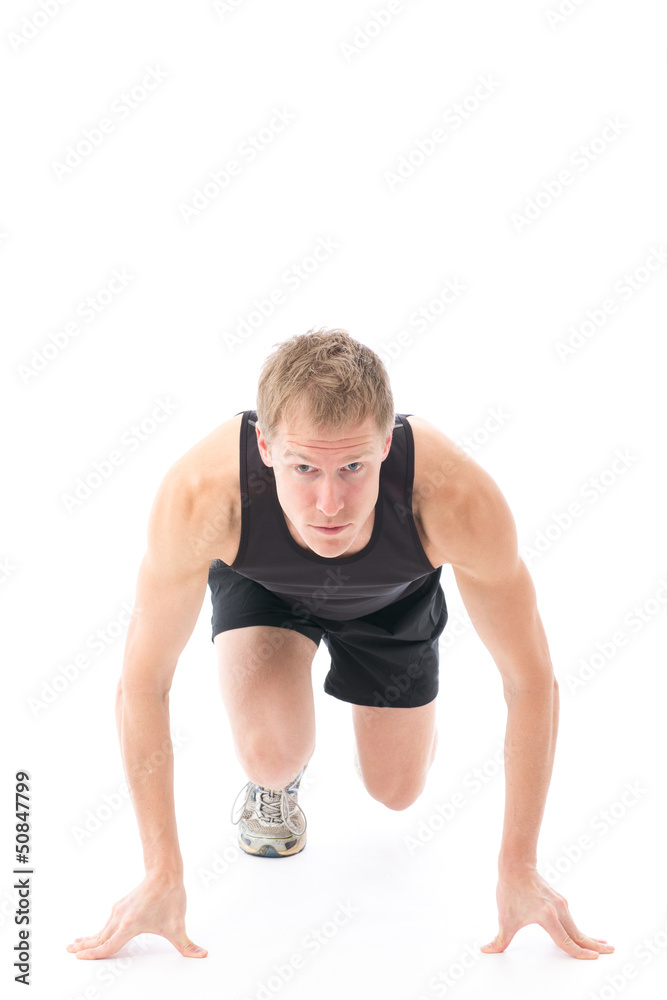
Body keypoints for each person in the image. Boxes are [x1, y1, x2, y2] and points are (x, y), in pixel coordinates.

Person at [66, 327, 614, 962]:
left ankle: (403, 715)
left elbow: (530, 680)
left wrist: (518, 865)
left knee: (397, 789)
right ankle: (273, 789)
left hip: (392, 598)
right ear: (264, 447)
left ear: (387, 442)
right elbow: (144, 680)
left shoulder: (456, 499)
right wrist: (161, 871)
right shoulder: (203, 497)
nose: (329, 502)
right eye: (304, 468)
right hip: (265, 591)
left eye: (353, 466)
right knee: (271, 753)